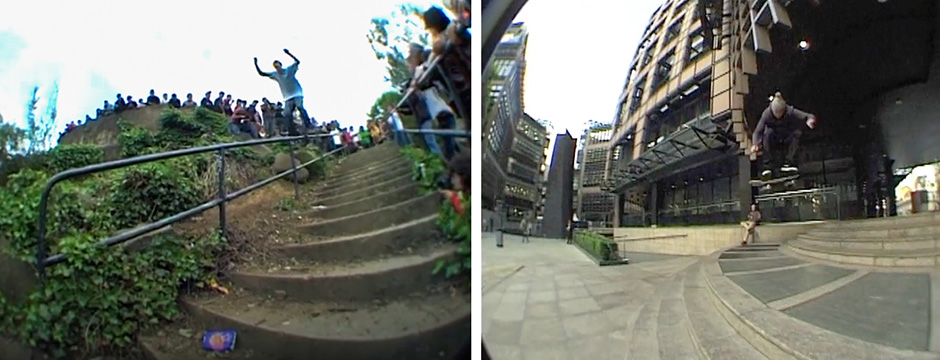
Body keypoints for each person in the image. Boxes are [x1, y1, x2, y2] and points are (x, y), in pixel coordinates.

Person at [750, 92, 818, 179]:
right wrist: (755, 144)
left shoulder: (790, 111)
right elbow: (758, 131)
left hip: (786, 138)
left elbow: (808, 115)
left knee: (797, 133)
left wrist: (810, 120)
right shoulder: (766, 114)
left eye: (780, 113)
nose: (778, 116)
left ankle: (789, 163)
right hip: (773, 139)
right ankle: (768, 166)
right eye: (776, 113)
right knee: (767, 133)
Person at [254, 49, 315, 131]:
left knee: (299, 107)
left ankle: (308, 125)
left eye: (278, 66)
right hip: (287, 98)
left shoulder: (289, 70)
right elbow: (261, 73)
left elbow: (297, 61)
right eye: (275, 67)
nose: (277, 68)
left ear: (281, 65)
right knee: (287, 114)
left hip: (297, 93)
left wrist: (289, 53)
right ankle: (292, 131)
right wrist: (256, 64)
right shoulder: (275, 74)